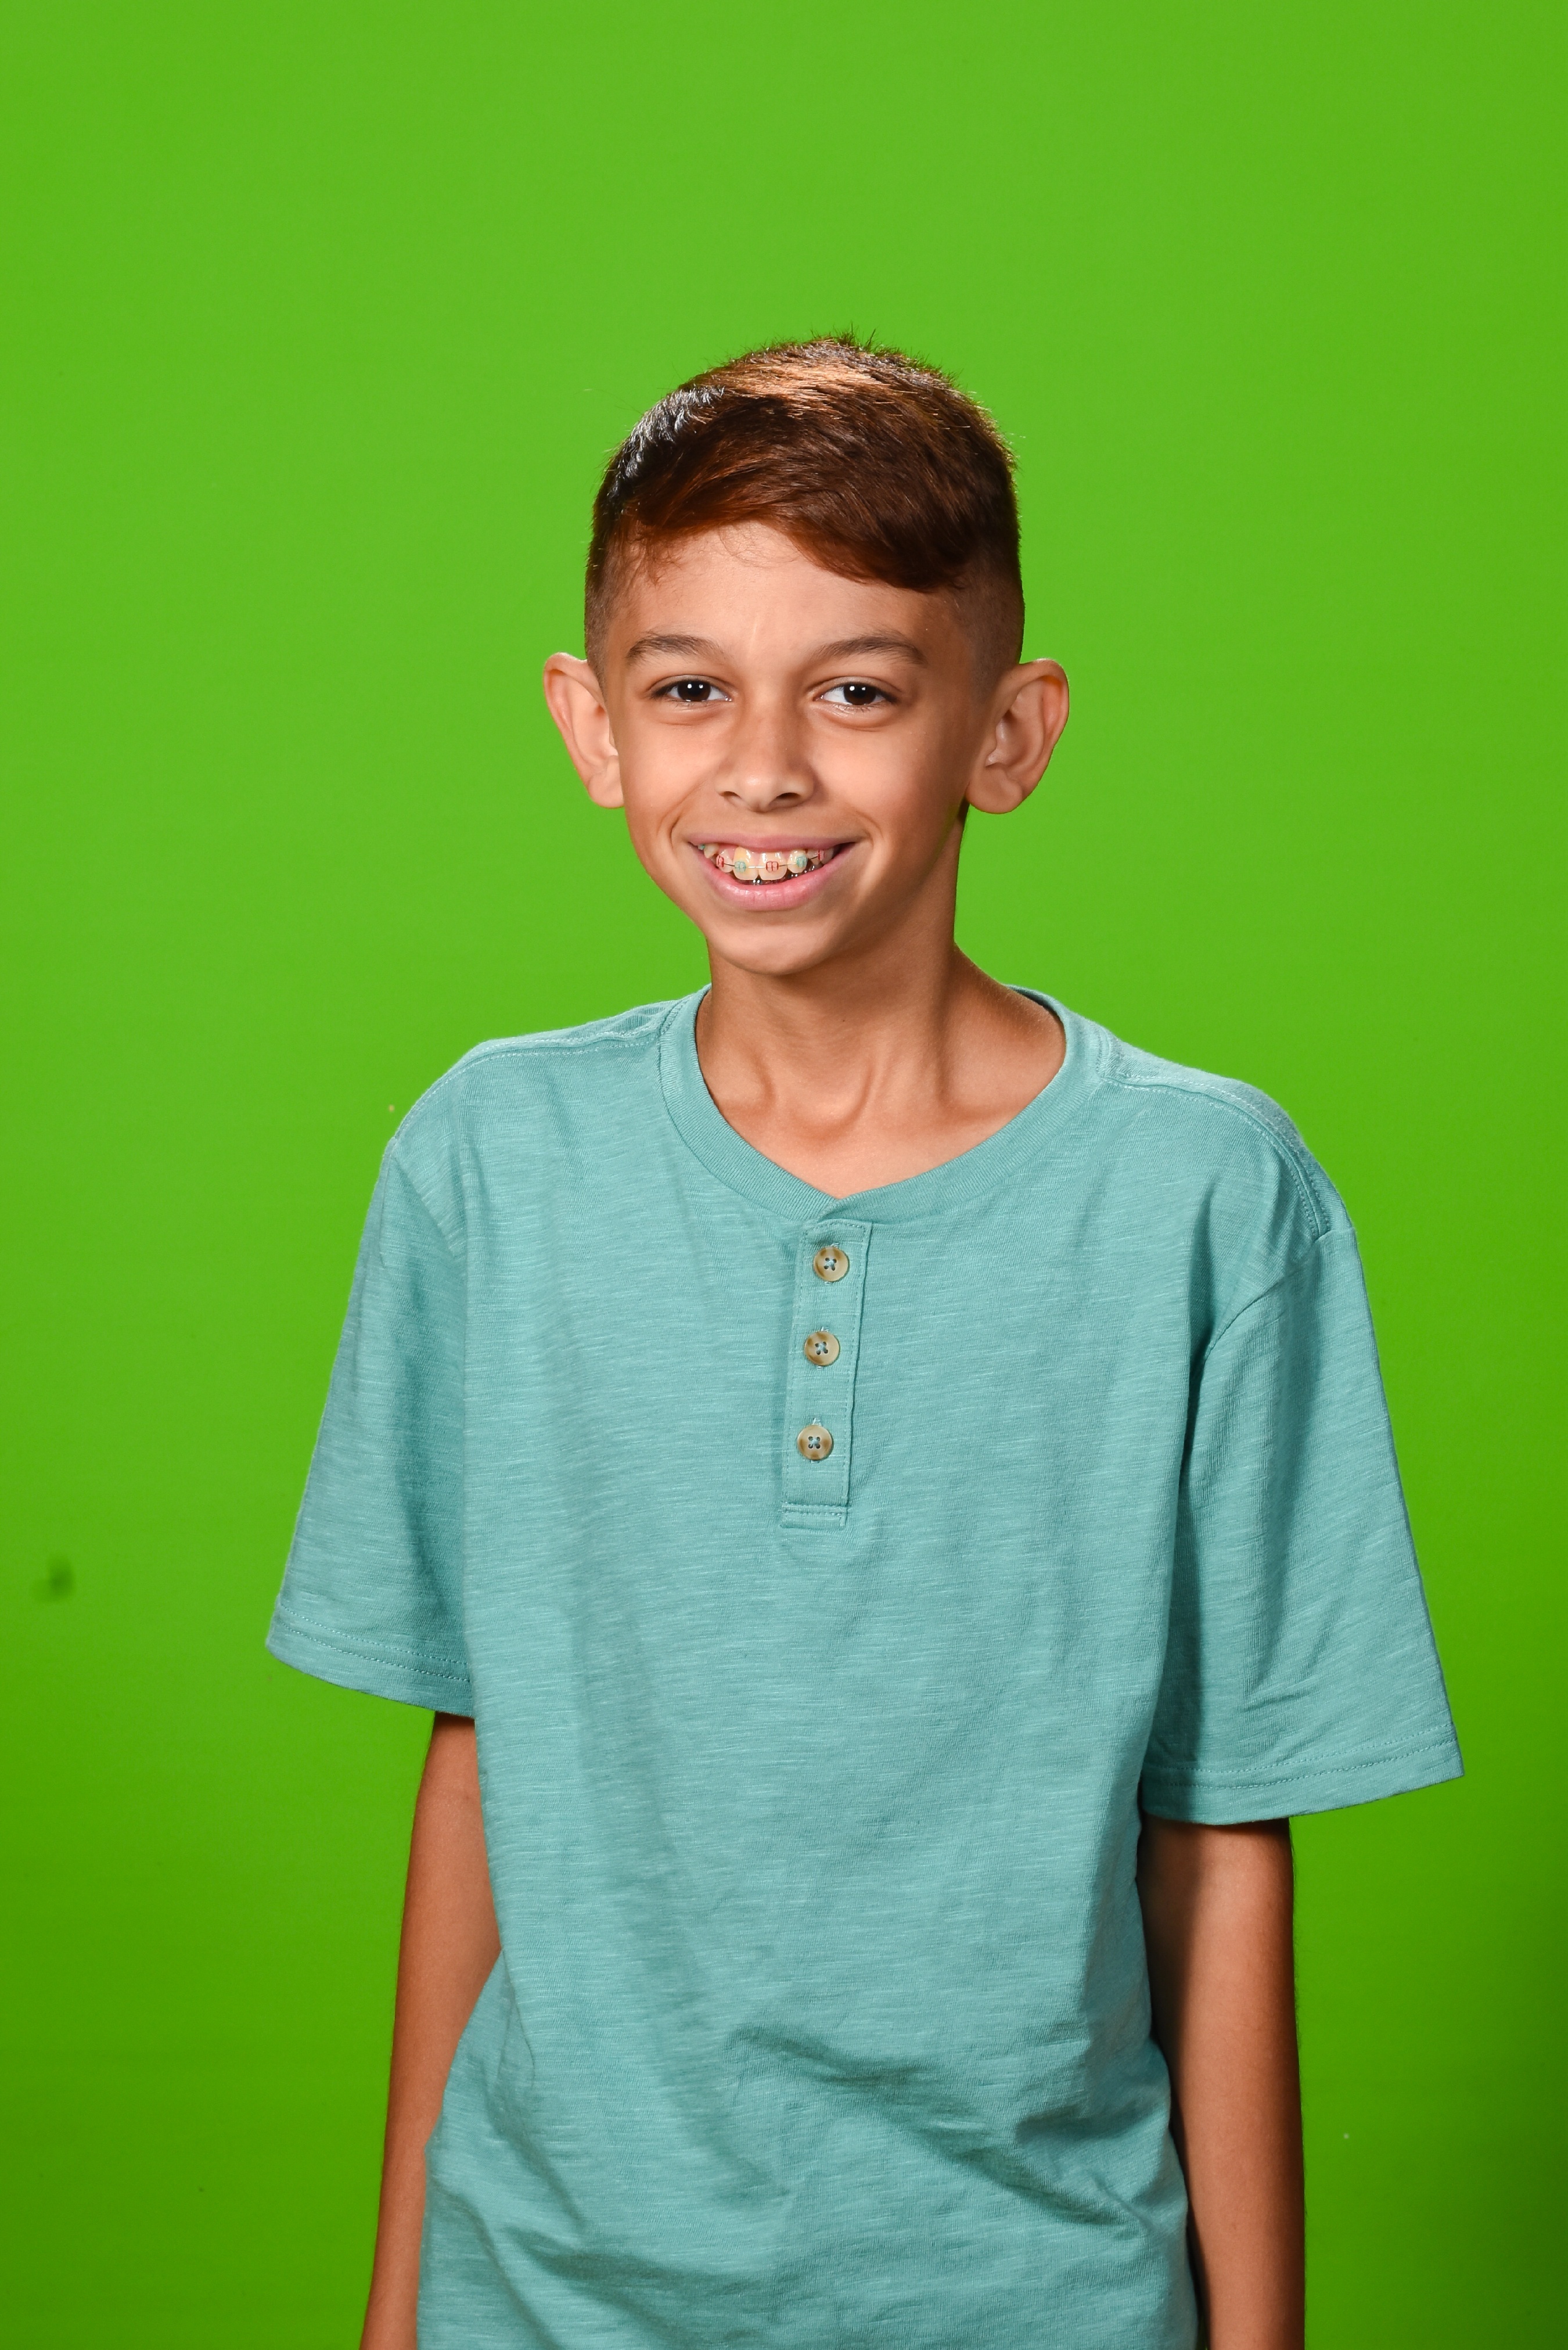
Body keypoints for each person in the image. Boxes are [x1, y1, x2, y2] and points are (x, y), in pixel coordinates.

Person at [268, 339, 1461, 2350]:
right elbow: (478, 1759)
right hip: (545, 2294)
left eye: (855, 691)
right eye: (688, 690)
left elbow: (1222, 1841)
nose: (762, 769)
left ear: (1006, 731)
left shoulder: (1203, 1196)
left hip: (1038, 2293)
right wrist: (400, 2311)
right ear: (589, 725)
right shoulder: (490, 1158)